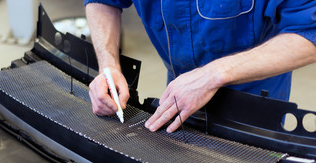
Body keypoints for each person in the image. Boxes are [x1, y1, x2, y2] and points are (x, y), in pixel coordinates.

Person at [84, 0, 316, 133]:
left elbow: (310, 32)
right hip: (178, 93)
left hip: (253, 107)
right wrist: (108, 65)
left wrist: (213, 75)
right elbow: (104, 1)